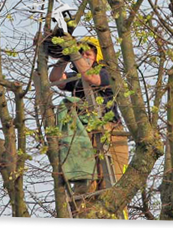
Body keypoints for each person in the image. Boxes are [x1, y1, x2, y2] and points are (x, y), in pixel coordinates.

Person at [49, 35, 129, 192]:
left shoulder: (107, 74)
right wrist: (64, 58)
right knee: (87, 183)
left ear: (97, 57)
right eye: (81, 53)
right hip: (85, 134)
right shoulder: (77, 78)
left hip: (111, 132)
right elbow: (55, 78)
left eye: (88, 54)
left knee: (112, 182)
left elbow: (91, 77)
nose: (83, 57)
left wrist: (74, 52)